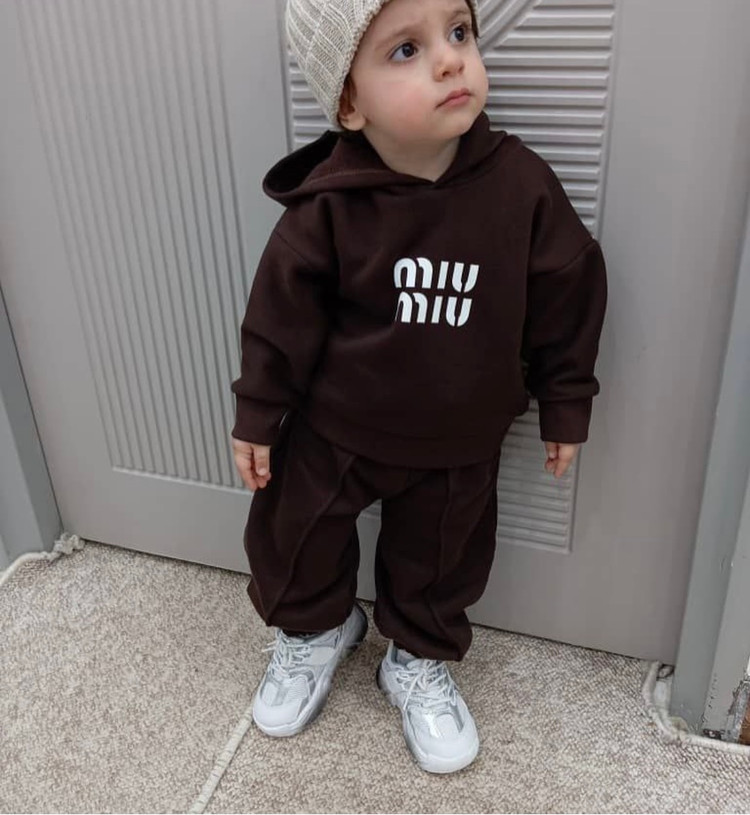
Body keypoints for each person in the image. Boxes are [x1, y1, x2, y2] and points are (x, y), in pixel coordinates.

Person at [230, 0, 607, 774]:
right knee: (295, 535)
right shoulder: (330, 206)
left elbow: (568, 291)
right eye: (406, 49)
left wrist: (566, 399)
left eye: (459, 32)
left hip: (458, 441)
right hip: (335, 429)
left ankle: (416, 657)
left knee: (440, 563)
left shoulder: (521, 188)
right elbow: (279, 315)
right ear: (349, 102)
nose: (449, 59)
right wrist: (259, 411)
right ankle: (317, 629)